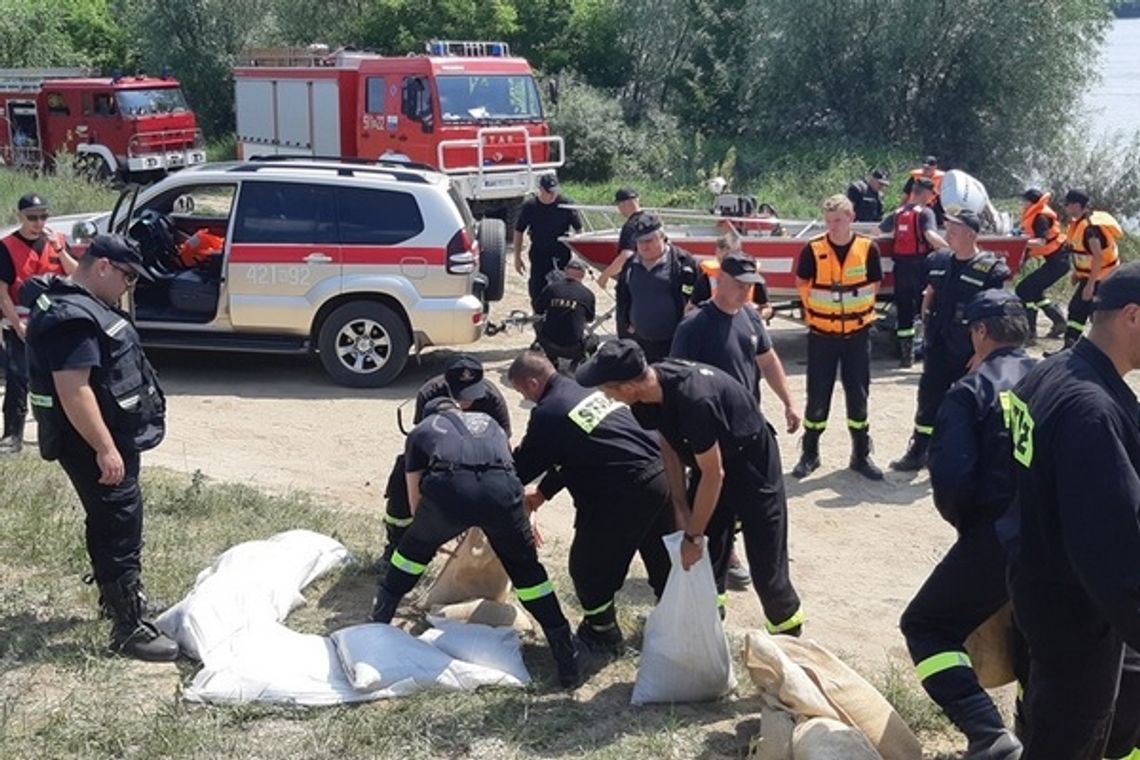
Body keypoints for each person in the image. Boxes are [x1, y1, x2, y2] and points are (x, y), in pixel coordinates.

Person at [575, 340, 804, 631]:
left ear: (626, 387)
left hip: (751, 465)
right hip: (709, 464)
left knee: (765, 564)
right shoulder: (647, 396)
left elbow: (714, 474)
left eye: (604, 388)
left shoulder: (694, 400)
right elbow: (669, 447)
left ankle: (789, 636)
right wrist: (681, 507)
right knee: (706, 559)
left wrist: (693, 536)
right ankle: (706, 629)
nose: (603, 395)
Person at [1007, 262, 1140, 758]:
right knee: (1070, 736)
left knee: (1045, 720)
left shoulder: (1050, 372)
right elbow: (1113, 554)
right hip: (1079, 616)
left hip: (1036, 586)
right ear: (1132, 315)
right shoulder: (1092, 409)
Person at [24, 234, 178, 661]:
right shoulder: (71, 316)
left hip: (103, 438)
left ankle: (121, 602)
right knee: (119, 524)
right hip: (91, 443)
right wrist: (105, 448)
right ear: (105, 266)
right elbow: (74, 390)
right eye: (128, 276)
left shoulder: (82, 300)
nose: (129, 286)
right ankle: (128, 628)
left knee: (110, 519)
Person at [899, 290, 1035, 759]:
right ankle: (1031, 736)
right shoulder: (1055, 377)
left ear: (980, 332)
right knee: (1034, 637)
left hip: (997, 538)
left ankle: (987, 733)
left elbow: (952, 480)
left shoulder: (970, 390)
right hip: (1058, 541)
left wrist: (971, 534)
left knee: (926, 624)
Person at [369, 396, 580, 688]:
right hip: (502, 491)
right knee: (528, 574)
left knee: (409, 555)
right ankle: (564, 652)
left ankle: (380, 620)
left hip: (450, 490)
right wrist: (520, 521)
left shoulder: (422, 431)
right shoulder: (490, 423)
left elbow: (415, 499)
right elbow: (510, 468)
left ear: (428, 415)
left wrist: (431, 533)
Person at [507, 350, 673, 653]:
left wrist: (495, 470)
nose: (526, 399)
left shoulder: (548, 413)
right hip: (664, 476)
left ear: (531, 383)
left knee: (588, 567)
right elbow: (576, 452)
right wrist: (543, 493)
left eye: (521, 392)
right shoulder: (584, 389)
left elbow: (522, 468)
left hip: (625, 488)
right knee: (661, 556)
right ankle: (676, 628)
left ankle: (602, 632)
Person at [671, 252, 800, 592]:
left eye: (751, 286)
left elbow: (768, 361)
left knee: (754, 507)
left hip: (748, 434)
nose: (746, 292)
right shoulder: (694, 326)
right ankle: (718, 571)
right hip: (710, 439)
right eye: (740, 285)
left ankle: (735, 559)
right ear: (721, 281)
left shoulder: (751, 318)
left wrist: (789, 402)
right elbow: (678, 383)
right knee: (714, 511)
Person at [891, 210, 1011, 471]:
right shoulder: (939, 260)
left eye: (954, 230)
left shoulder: (991, 269)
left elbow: (994, 317)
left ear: (971, 234)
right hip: (938, 344)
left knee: (970, 402)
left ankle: (968, 456)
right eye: (948, 229)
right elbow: (930, 291)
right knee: (929, 397)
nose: (948, 234)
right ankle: (920, 449)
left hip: (969, 351)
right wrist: (925, 320)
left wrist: (982, 355)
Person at [378, 355, 512, 567]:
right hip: (441, 457)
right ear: (447, 384)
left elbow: (503, 452)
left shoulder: (492, 399)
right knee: (401, 476)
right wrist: (425, 521)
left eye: (471, 394)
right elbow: (422, 446)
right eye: (460, 394)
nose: (466, 402)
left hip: (479, 458)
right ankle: (396, 544)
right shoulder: (430, 393)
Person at [791, 194, 885, 481]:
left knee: (858, 395)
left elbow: (874, 283)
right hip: (822, 335)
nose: (833, 226)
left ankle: (860, 454)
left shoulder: (868, 248)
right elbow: (802, 283)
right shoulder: (813, 249)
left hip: (857, 334)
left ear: (851, 218)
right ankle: (810, 453)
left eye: (839, 220)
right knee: (818, 396)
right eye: (829, 221)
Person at [0, 193, 78, 454]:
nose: (38, 222)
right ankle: (12, 436)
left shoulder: (56, 242)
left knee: (61, 381)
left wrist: (60, 251)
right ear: (20, 216)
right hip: (20, 325)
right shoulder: (7, 247)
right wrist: (16, 325)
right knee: (18, 379)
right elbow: (2, 294)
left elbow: (77, 275)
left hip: (54, 323)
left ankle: (62, 436)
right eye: (32, 217)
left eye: (43, 216)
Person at [879, 178, 948, 367]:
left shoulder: (898, 212)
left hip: (900, 268)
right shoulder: (925, 213)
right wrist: (951, 250)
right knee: (925, 309)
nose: (932, 199)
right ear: (925, 194)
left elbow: (878, 232)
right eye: (932, 195)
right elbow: (930, 236)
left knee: (904, 311)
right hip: (920, 268)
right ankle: (927, 351)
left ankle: (906, 356)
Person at [614, 213, 698, 362]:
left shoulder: (683, 263)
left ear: (662, 237)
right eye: (640, 242)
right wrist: (626, 325)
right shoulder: (630, 264)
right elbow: (622, 296)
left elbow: (697, 297)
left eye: (649, 240)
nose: (644, 246)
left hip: (674, 343)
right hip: (639, 342)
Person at [1058, 188, 1125, 350]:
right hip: (1091, 276)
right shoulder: (1078, 224)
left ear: (1076, 205)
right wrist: (1077, 273)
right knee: (1077, 309)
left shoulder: (1090, 229)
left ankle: (1105, 348)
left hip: (1102, 277)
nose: (1065, 207)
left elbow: (1098, 257)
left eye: (1067, 204)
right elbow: (1082, 253)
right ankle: (1070, 345)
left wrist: (1090, 285)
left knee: (1096, 312)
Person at [513, 173, 583, 310]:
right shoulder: (530, 206)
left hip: (561, 255)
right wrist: (517, 257)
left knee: (562, 292)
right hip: (539, 255)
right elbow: (519, 231)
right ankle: (540, 319)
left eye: (554, 191)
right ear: (541, 190)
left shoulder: (566, 205)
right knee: (537, 291)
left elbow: (579, 231)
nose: (552, 195)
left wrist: (580, 258)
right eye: (549, 192)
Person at [1014, 189, 1069, 343]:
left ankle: (1030, 333)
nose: (1022, 204)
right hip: (1055, 261)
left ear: (1031, 202)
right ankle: (1059, 322)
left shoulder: (1041, 217)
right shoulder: (1035, 214)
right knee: (1035, 292)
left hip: (1059, 262)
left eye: (1024, 201)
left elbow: (1041, 242)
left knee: (1023, 290)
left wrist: (1018, 241)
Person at [690, 231, 773, 320]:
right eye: (721, 259)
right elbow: (691, 308)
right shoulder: (707, 278)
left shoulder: (751, 276)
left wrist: (757, 317)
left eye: (728, 259)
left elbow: (767, 308)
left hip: (746, 325)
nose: (724, 264)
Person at [533, 257, 597, 369]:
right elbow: (590, 319)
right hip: (573, 349)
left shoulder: (551, 288)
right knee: (594, 338)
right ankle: (580, 362)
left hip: (549, 344)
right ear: (583, 275)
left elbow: (538, 309)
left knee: (537, 323)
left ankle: (551, 358)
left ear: (566, 271)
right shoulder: (588, 294)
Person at [596, 187, 643, 290]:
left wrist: (605, 275)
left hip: (638, 281)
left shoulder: (630, 226)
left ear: (623, 204)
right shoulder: (654, 220)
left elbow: (626, 256)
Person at [903, 155, 947, 225]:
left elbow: (943, 197)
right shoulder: (915, 177)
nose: (925, 170)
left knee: (939, 223)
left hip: (932, 206)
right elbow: (906, 194)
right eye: (924, 168)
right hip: (914, 205)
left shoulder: (941, 178)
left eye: (928, 168)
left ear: (935, 167)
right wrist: (901, 207)